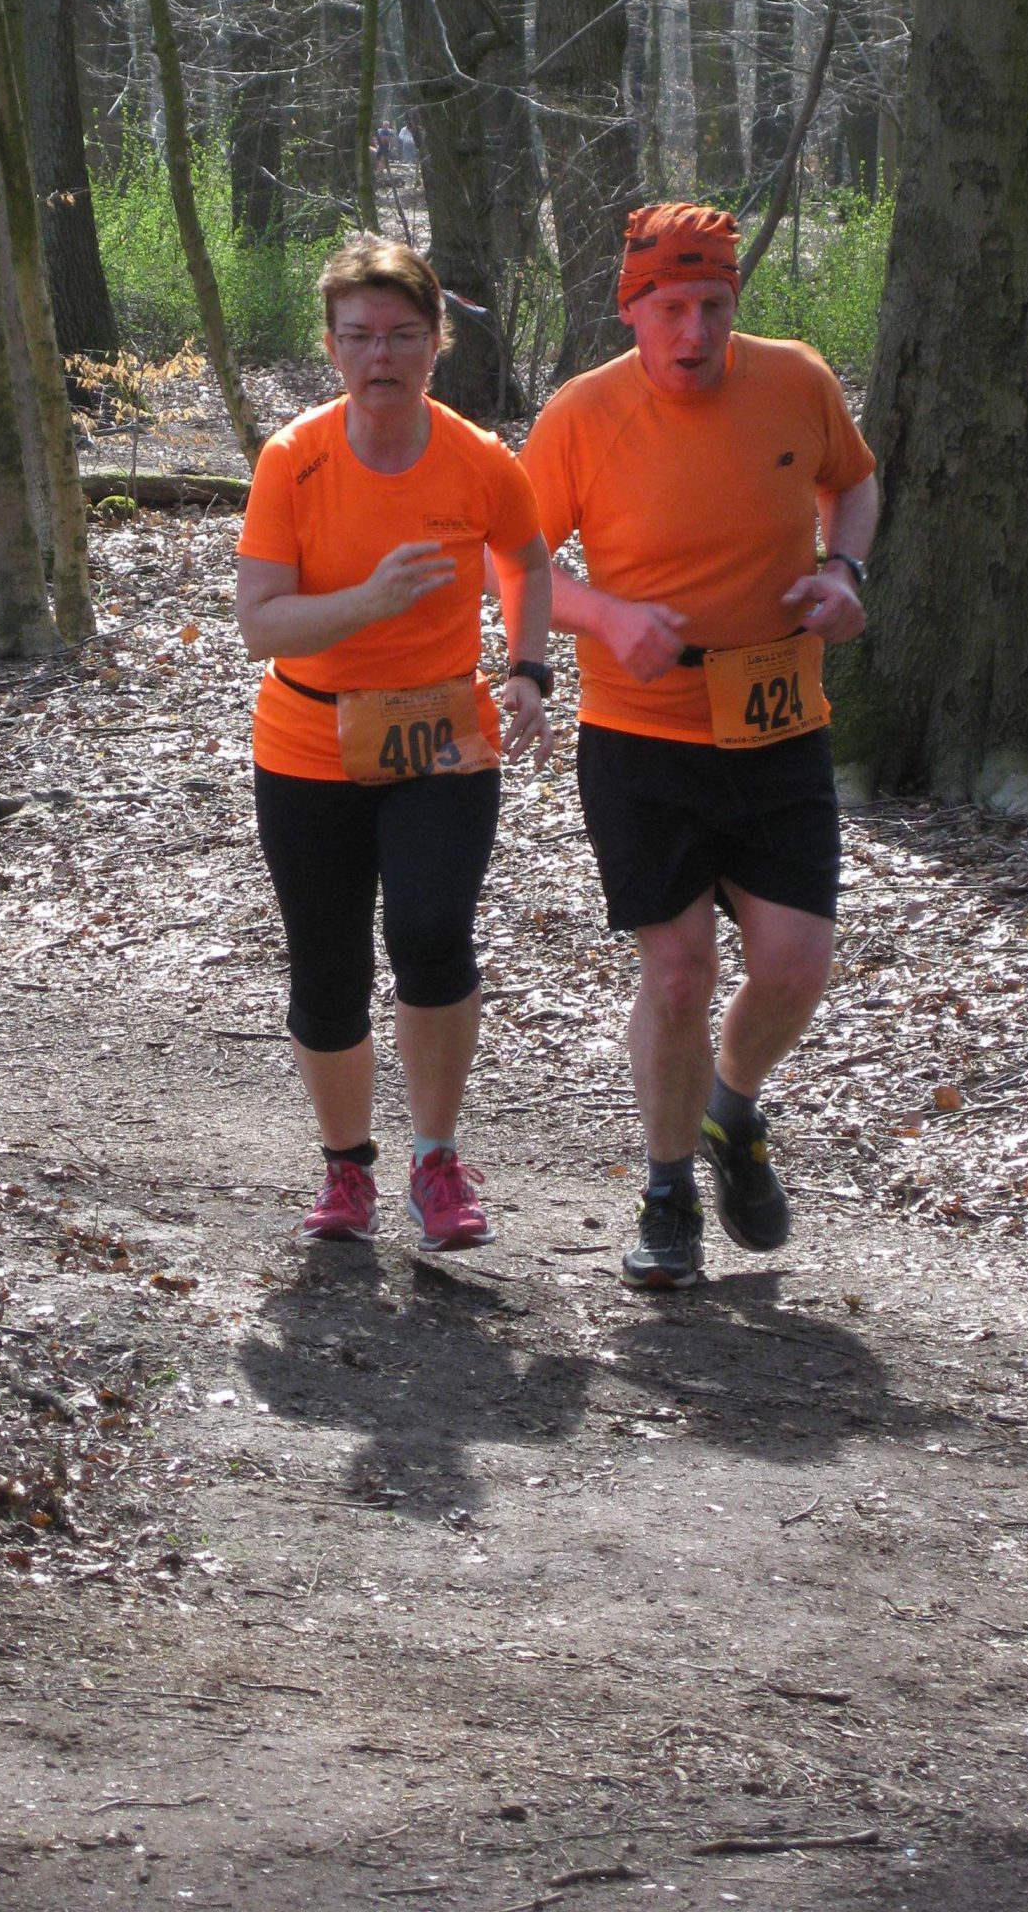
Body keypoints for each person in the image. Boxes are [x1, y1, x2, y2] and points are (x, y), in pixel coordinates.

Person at [519, 202, 878, 1290]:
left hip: (778, 722)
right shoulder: (582, 414)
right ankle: (668, 1192)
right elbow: (518, 562)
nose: (694, 332)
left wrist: (844, 571)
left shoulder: (797, 378)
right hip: (643, 736)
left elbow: (852, 480)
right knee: (677, 975)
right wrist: (604, 615)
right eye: (670, 308)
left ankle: (732, 1105)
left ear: (735, 304)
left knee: (796, 966)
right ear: (631, 310)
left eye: (713, 306)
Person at [235, 234, 554, 1251]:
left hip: (439, 734)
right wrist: (367, 603)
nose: (383, 356)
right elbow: (260, 623)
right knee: (327, 963)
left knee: (429, 931)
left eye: (403, 335)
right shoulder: (293, 460)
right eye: (361, 336)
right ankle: (347, 1170)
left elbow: (528, 560)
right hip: (309, 738)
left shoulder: (479, 459)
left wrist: (529, 668)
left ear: (435, 342)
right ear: (332, 347)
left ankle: (436, 1160)